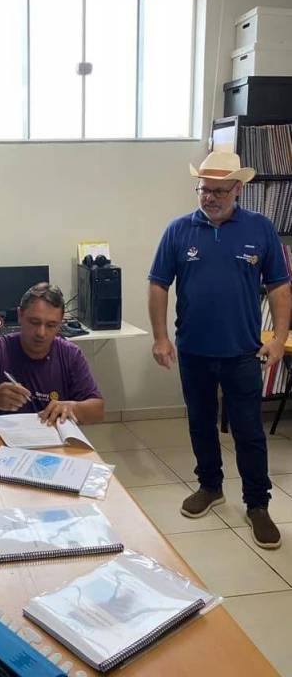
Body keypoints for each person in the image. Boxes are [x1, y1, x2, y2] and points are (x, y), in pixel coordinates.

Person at [148, 151, 291, 550]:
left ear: (237, 189)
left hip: (243, 352)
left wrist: (279, 339)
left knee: (249, 431)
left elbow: (279, 287)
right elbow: (158, 284)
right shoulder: (178, 230)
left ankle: (257, 505)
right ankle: (210, 486)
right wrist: (160, 337)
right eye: (203, 189)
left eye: (218, 191)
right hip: (193, 350)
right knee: (200, 422)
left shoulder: (260, 228)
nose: (209, 197)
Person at [0, 283, 104, 424]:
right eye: (34, 322)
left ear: (60, 324)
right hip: (5, 438)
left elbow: (97, 410)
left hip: (53, 437)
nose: (41, 333)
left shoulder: (70, 354)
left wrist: (72, 407)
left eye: (51, 325)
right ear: (20, 315)